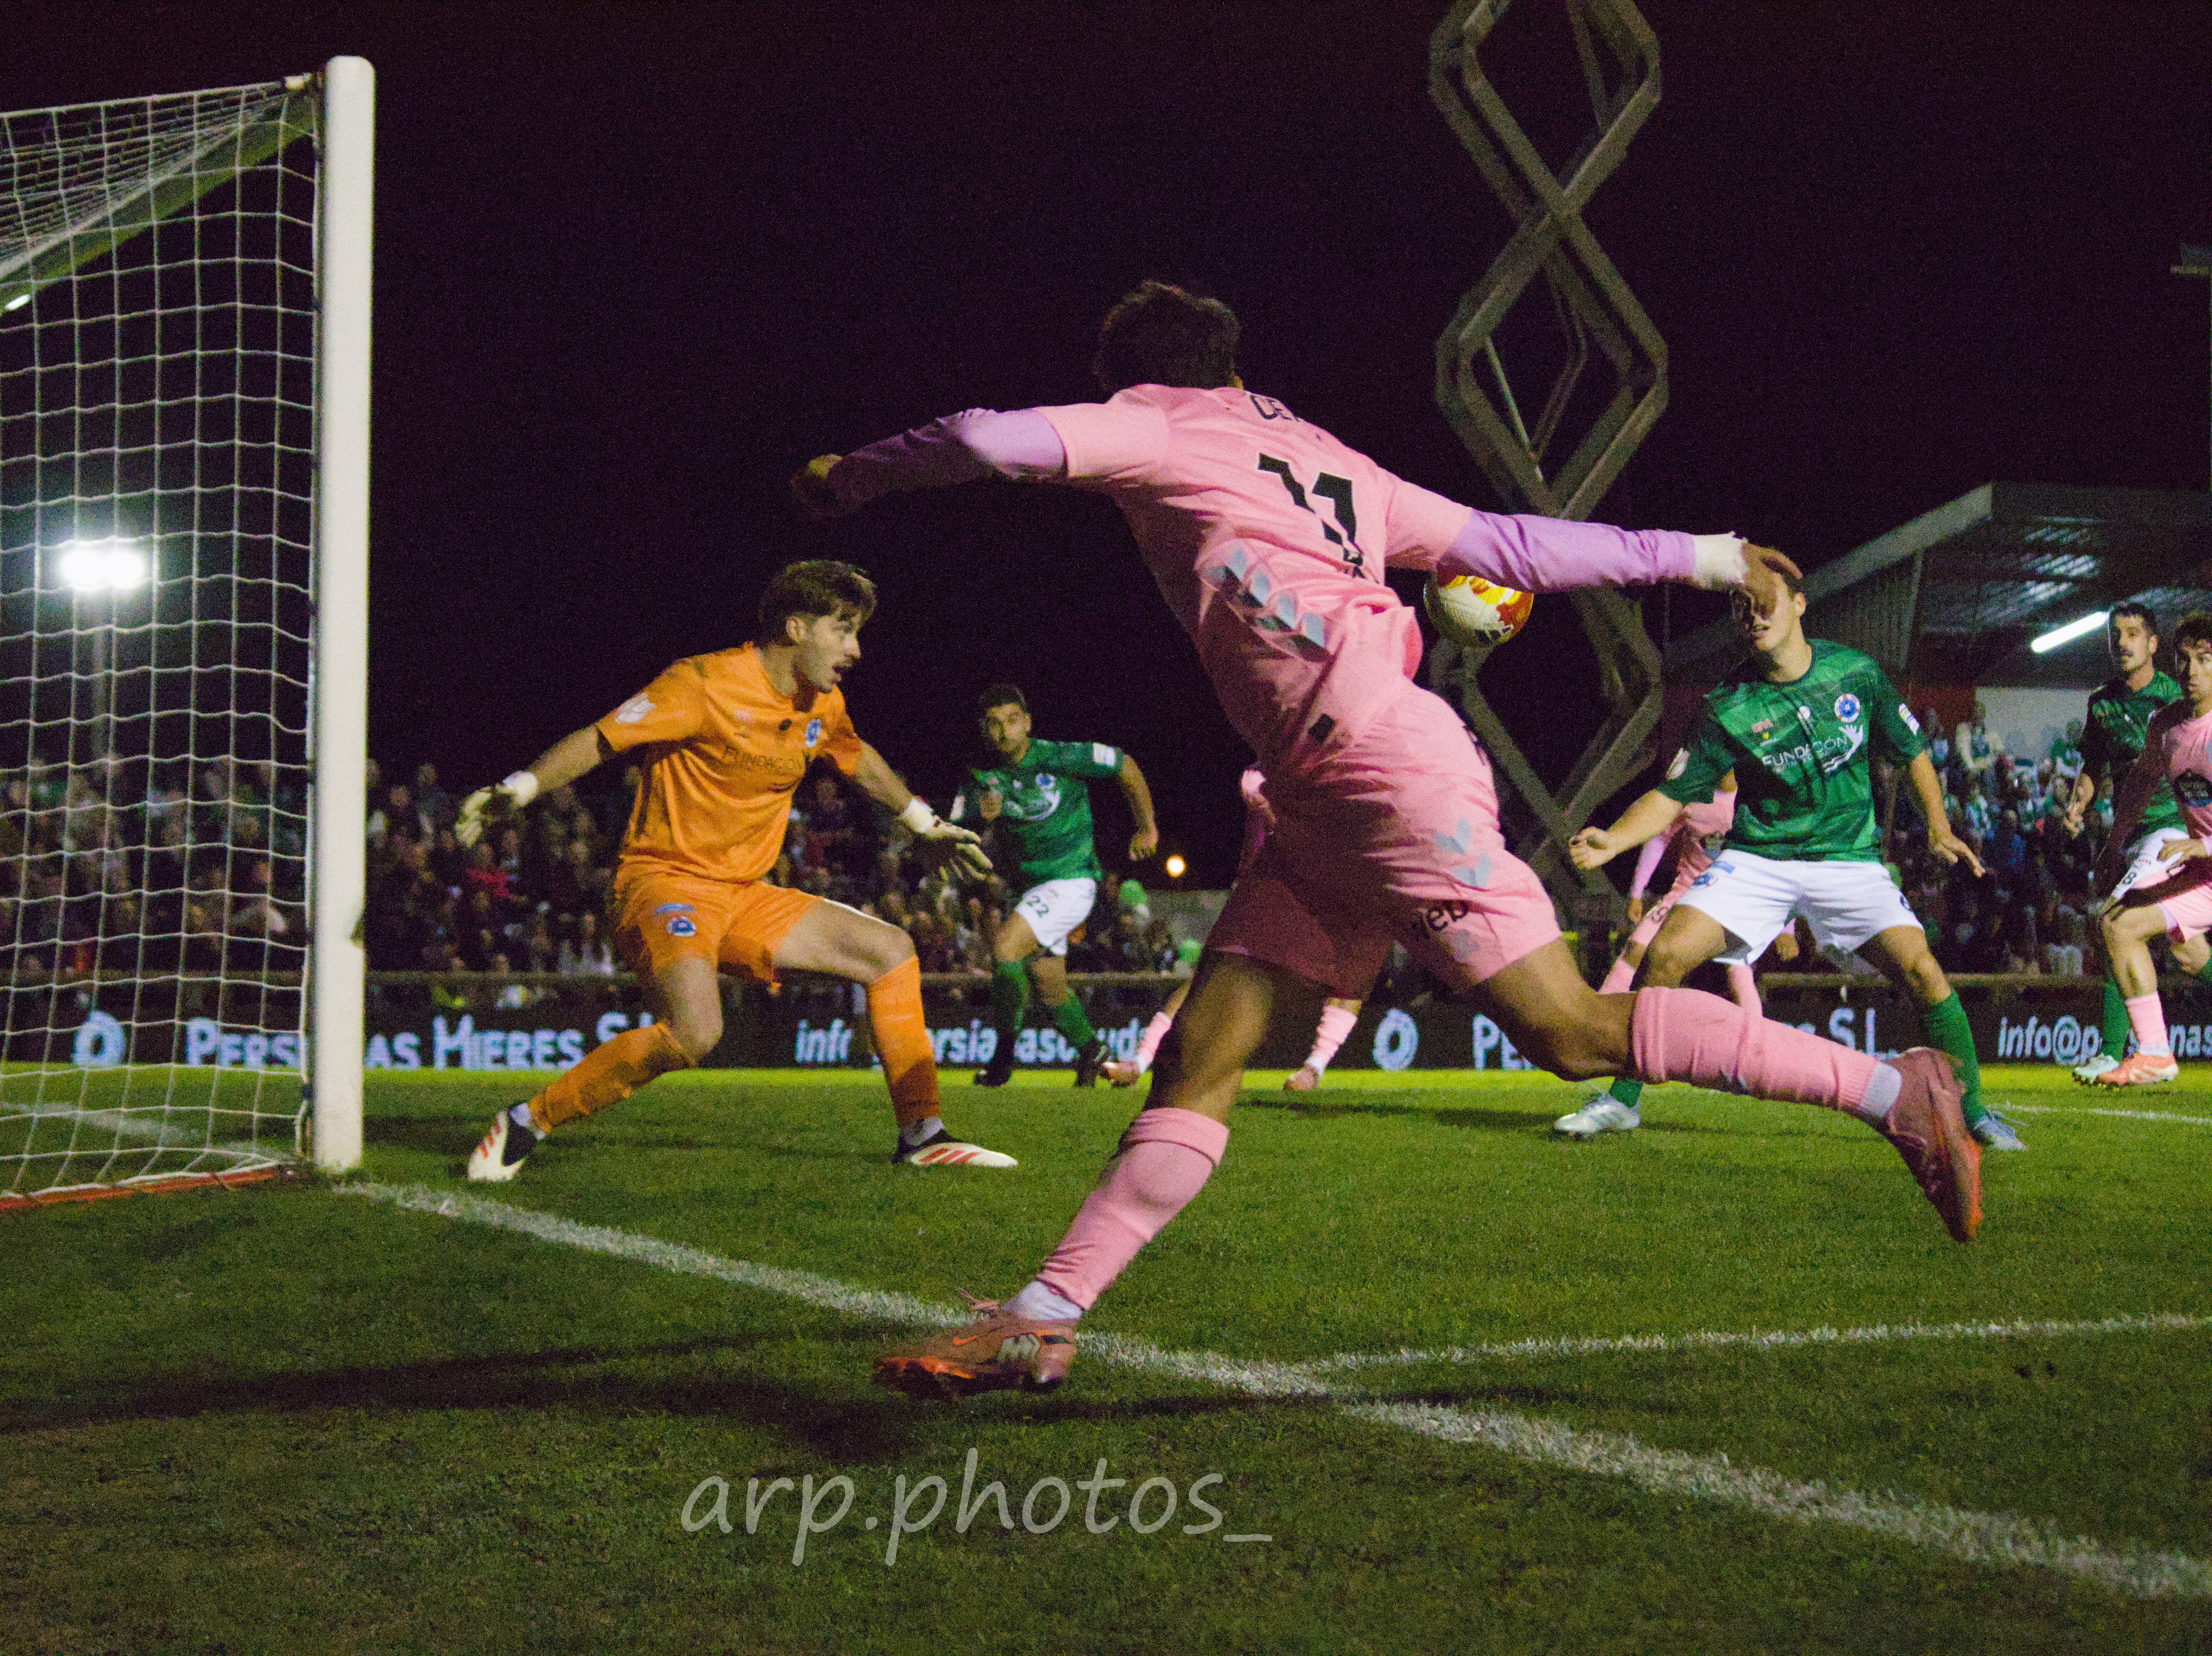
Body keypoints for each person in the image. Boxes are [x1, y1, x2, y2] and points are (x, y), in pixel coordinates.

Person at [794, 281, 1981, 1398]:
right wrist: (1706, 554)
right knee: (1201, 1053)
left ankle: (1895, 1089)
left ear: (1127, 377)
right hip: (1324, 795)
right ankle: (1044, 1315)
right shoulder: (1325, 457)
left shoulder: (1147, 428)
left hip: (1383, 772)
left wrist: (851, 476)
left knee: (1568, 1031)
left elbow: (992, 440)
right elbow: (1511, 548)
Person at [453, 559, 1015, 1178]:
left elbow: (856, 758)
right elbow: (602, 737)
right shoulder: (703, 683)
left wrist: (924, 824)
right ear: (797, 627)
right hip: (662, 883)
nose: (855, 649)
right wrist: (520, 787)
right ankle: (529, 1121)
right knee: (696, 1032)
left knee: (890, 950)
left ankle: (923, 1134)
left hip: (743, 893)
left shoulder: (822, 704)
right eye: (845, 629)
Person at [1570, 571, 2023, 1151]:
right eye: (1739, 608)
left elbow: (1912, 752)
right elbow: (1672, 794)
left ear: (1799, 604)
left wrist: (1937, 825)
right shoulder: (1727, 705)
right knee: (1666, 955)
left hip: (1849, 860)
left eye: (1763, 603)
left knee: (1923, 972)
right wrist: (1615, 838)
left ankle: (1976, 1112)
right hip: (1760, 859)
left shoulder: (1856, 673)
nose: (1752, 616)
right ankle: (1623, 1102)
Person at [1105, 768, 1375, 1091]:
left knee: (1353, 973)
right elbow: (1257, 791)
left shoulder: (1333, 778)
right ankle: (1140, 1062)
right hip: (1265, 895)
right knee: (1203, 981)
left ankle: (1313, 1069)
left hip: (1322, 893)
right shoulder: (1268, 774)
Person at [953, 683, 1158, 1087]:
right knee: (1049, 988)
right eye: (994, 724)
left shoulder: (1060, 756)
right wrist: (983, 821)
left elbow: (1125, 765)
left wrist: (1147, 828)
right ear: (983, 730)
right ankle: (1094, 1054)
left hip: (1073, 879)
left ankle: (1003, 1058)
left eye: (1012, 721)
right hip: (1029, 889)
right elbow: (960, 834)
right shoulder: (978, 775)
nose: (1004, 732)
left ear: (1028, 723)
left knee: (1005, 950)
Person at [1552, 785, 1763, 1137]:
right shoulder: (1696, 788)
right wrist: (1637, 891)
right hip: (1686, 894)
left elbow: (1782, 862)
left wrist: (1786, 925)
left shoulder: (1758, 795)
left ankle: (1753, 1062)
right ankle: (1600, 1035)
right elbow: (1660, 836)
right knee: (1641, 951)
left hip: (1733, 898)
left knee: (1737, 971)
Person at [2063, 602, 2212, 1079]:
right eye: (2185, 660)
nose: (2192, 671)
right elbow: (2130, 782)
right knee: (2181, 950)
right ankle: (2148, 1052)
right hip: (2177, 855)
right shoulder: (2158, 723)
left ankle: (2125, 1049)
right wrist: (2106, 840)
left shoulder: (2195, 716)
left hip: (2184, 847)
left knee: (2117, 920)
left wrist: (2202, 846)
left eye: (2205, 660)